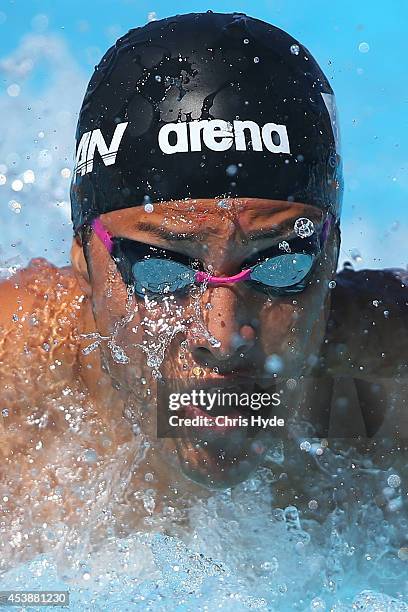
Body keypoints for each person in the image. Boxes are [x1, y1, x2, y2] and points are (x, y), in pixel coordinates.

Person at [0, 11, 406, 570]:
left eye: (280, 268)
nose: (223, 336)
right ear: (85, 264)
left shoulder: (387, 390)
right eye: (161, 272)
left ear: (331, 260)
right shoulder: (15, 384)